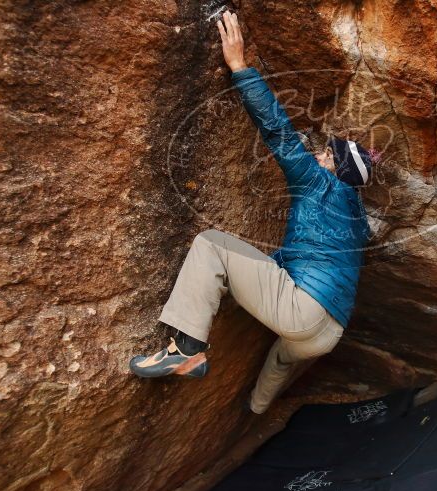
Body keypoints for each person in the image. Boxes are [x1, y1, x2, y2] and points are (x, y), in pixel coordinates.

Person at [129, 11, 374, 415]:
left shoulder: (319, 183)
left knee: (210, 246)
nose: (319, 153)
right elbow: (308, 258)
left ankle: (187, 350)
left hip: (304, 312)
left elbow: (280, 134)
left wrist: (240, 67)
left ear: (337, 169)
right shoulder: (356, 219)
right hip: (327, 333)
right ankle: (256, 411)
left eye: (328, 153)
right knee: (280, 359)